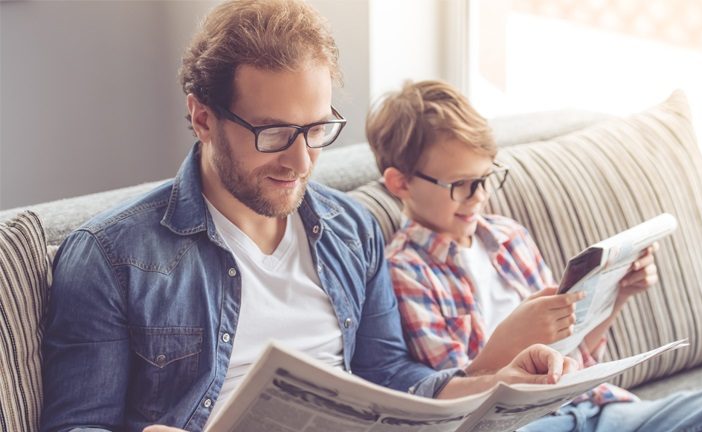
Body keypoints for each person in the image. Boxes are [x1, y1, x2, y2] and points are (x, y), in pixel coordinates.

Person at [40, 2, 577, 432]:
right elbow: (78, 423)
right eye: (273, 133)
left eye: (316, 130)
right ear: (202, 117)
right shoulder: (112, 255)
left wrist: (494, 383)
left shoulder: (353, 229)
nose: (300, 163)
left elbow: (391, 379)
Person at [366, 79, 702, 432]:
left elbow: (571, 350)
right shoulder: (405, 272)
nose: (479, 196)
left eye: (486, 178)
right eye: (461, 184)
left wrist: (618, 295)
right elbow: (460, 402)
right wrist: (511, 341)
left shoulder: (508, 236)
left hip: (593, 406)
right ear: (401, 183)